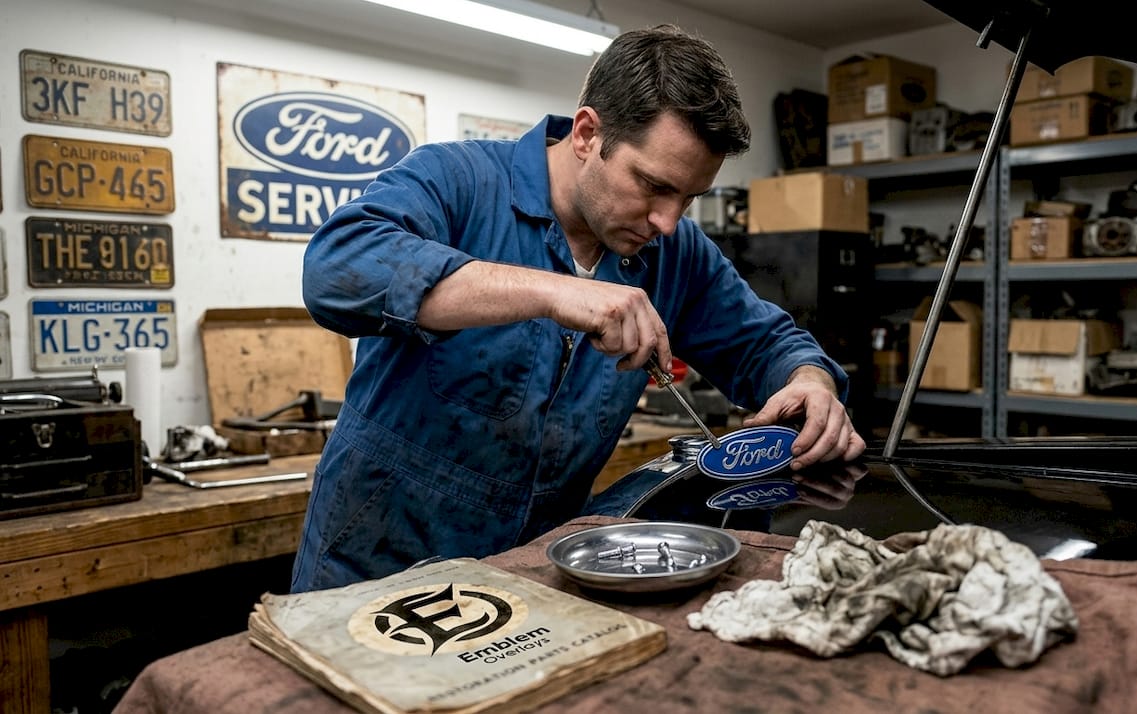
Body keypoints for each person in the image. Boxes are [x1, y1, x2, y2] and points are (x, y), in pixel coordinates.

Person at [293, 24, 866, 593]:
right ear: (588, 133)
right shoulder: (456, 181)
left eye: (689, 199)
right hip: (376, 564)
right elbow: (337, 266)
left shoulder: (675, 253)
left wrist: (810, 382)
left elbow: (767, 343)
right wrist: (556, 290)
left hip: (537, 574)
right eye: (653, 186)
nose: (668, 221)